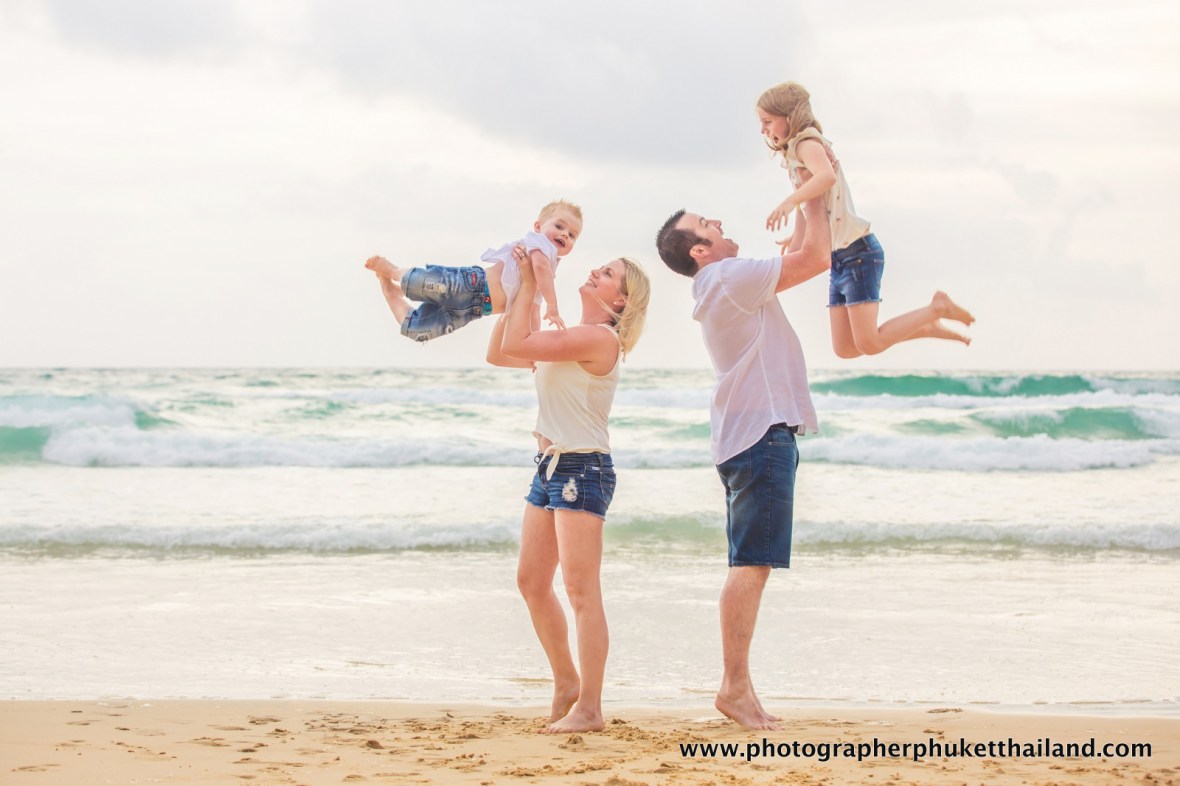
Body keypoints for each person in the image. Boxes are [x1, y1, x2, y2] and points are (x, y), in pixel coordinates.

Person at [654, 187, 830, 731]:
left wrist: (807, 201)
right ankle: (733, 688)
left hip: (746, 436)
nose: (720, 222)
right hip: (761, 434)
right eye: (707, 223)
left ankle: (741, 688)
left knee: (748, 562)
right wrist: (815, 185)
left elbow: (800, 247)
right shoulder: (729, 278)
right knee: (750, 565)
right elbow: (817, 257)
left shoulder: (720, 284)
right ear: (700, 251)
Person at [488, 246, 650, 734]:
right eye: (601, 267)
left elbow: (518, 343)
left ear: (619, 301)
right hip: (548, 466)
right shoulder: (568, 337)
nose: (595, 271)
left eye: (608, 274)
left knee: (581, 591)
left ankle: (591, 709)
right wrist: (519, 287)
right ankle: (566, 683)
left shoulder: (600, 339)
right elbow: (499, 352)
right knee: (532, 582)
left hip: (583, 469)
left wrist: (533, 285)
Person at [757, 81, 975, 358]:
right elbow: (809, 205)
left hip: (857, 252)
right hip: (840, 258)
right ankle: (925, 324)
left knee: (869, 343)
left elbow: (826, 177)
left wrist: (789, 202)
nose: (763, 130)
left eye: (768, 121)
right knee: (846, 349)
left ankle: (936, 308)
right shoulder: (793, 154)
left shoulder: (806, 144)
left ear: (789, 116)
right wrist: (797, 232)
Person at [364, 200, 582, 343]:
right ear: (538, 227)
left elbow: (533, 310)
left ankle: (390, 292)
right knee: (426, 282)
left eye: (572, 235)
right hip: (473, 285)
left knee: (419, 330)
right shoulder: (538, 245)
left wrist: (532, 342)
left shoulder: (549, 273)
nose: (565, 235)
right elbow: (541, 267)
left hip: (475, 310)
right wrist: (553, 307)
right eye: (560, 226)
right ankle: (393, 271)